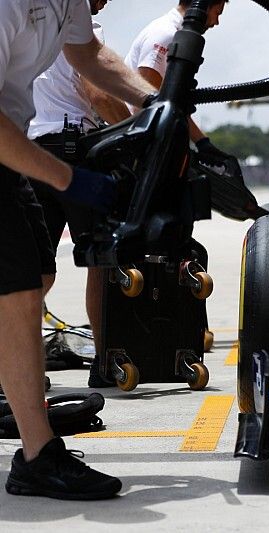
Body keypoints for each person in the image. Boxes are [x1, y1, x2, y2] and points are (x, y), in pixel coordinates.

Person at [0, 0, 155, 500]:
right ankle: (37, 457)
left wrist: (152, 102)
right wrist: (69, 179)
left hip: (10, 149)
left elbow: (87, 53)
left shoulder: (68, 1)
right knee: (17, 292)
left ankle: (22, 420)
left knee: (35, 281)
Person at [27, 0, 131, 387]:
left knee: (36, 268)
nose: (106, 3)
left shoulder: (33, 29)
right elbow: (100, 95)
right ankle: (104, 361)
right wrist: (138, 127)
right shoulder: (83, 32)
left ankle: (20, 364)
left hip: (30, 152)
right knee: (101, 261)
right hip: (75, 153)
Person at [125, 0, 235, 164]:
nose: (216, 22)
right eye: (217, 13)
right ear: (203, 6)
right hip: (132, 142)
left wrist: (202, 143)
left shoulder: (178, 35)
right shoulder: (165, 34)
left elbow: (167, 104)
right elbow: (144, 103)